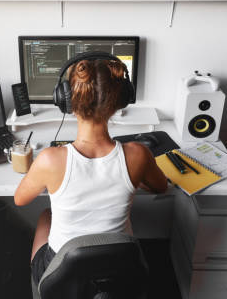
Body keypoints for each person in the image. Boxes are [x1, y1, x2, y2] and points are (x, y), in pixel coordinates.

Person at [14, 57, 168, 284]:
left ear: (65, 101)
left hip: (62, 275)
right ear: (120, 102)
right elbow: (161, 187)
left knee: (46, 215)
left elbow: (19, 199)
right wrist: (135, 178)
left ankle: (40, 287)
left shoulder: (49, 159)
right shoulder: (138, 155)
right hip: (121, 269)